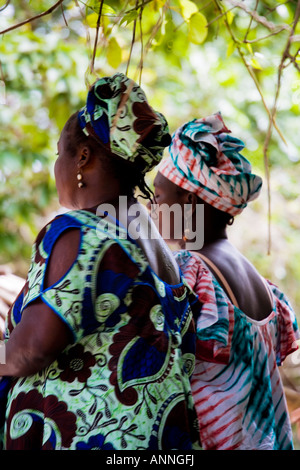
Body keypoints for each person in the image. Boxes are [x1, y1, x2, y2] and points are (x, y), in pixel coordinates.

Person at [0, 73, 200, 450]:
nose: (57, 165)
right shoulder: (163, 253)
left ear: (83, 158)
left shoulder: (78, 233)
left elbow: (31, 349)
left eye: (61, 152)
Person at [151, 112, 299, 450]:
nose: (153, 208)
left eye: (158, 198)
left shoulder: (190, 270)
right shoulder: (259, 283)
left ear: (187, 200)